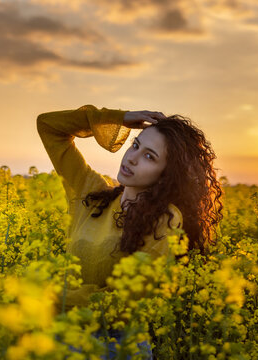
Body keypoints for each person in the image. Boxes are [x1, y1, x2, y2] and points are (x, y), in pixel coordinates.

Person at [37, 104, 223, 359]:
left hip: (114, 346)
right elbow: (48, 126)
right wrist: (118, 119)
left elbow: (125, 302)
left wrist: (49, 297)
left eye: (150, 156)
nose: (132, 158)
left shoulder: (165, 220)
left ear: (166, 175)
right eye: (136, 145)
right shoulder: (91, 193)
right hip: (62, 336)